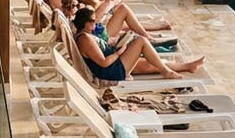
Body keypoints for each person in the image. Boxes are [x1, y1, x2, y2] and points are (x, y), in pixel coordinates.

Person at [72, 7, 203, 83]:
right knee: (141, 41)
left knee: (150, 63)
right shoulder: (85, 39)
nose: (96, 24)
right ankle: (166, 72)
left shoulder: (85, 35)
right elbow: (104, 63)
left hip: (114, 62)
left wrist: (118, 45)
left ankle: (188, 66)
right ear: (86, 23)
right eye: (93, 21)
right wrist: (119, 52)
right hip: (111, 70)